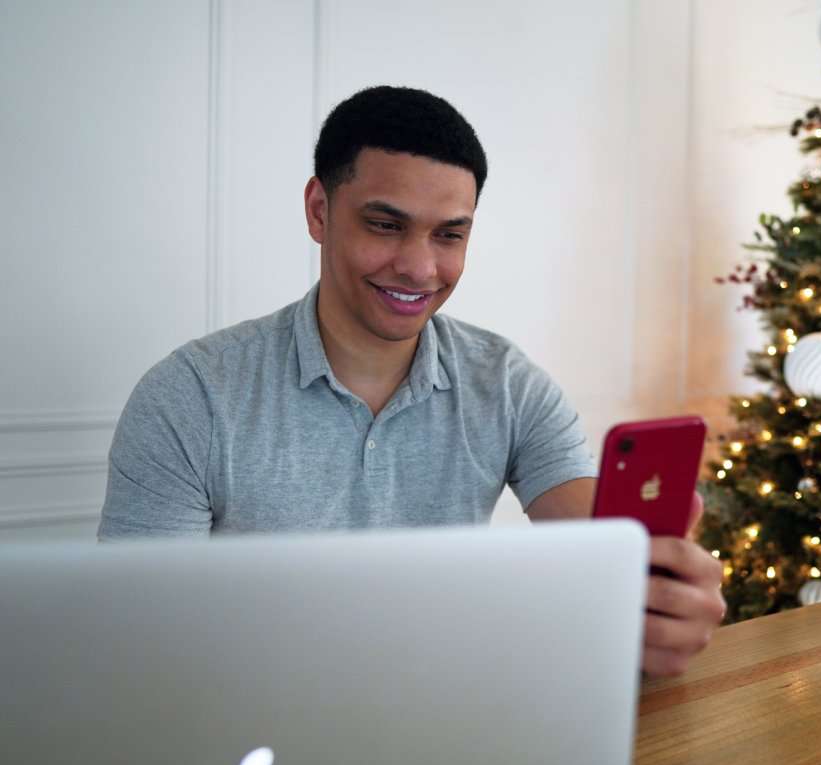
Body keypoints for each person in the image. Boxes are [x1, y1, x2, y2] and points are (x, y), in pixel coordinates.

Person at [98, 85, 725, 678]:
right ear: (320, 210)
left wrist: (656, 594)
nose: (421, 267)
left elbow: (599, 545)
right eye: (385, 225)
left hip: (446, 712)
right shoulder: (189, 396)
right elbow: (136, 638)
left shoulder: (506, 383)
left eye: (449, 234)